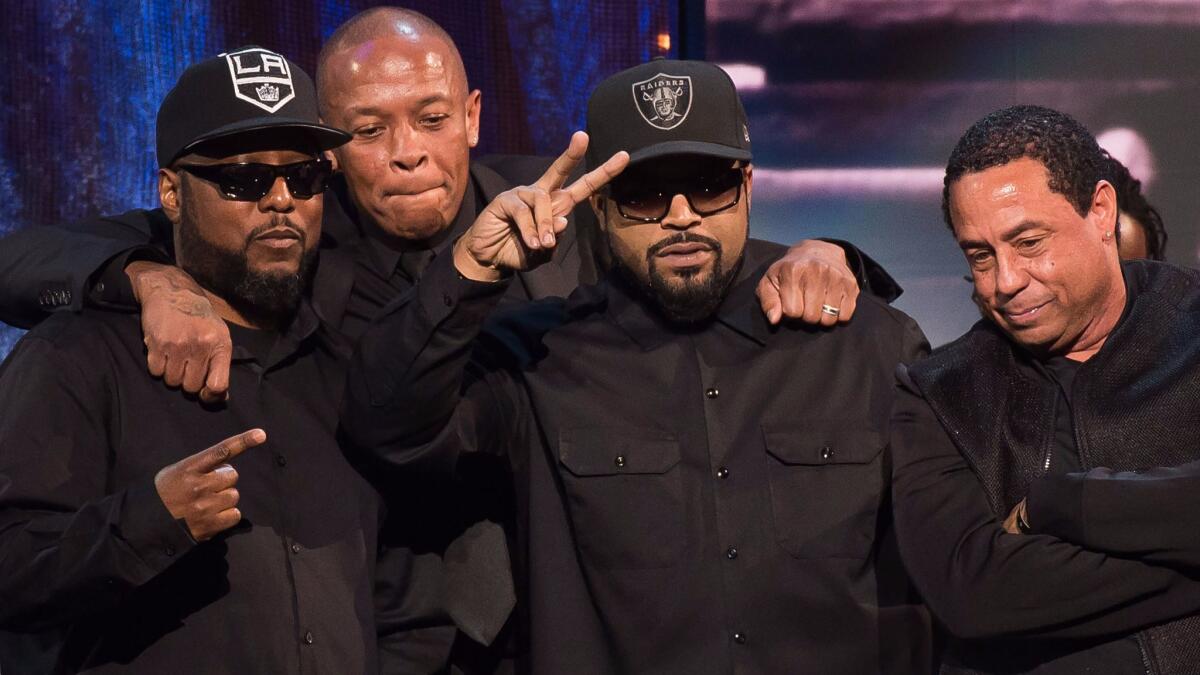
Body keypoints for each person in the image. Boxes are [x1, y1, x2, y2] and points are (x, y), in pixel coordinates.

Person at [0, 7, 900, 669]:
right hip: (375, 629)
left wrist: (830, 253)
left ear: (471, 116)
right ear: (330, 150)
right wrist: (143, 276)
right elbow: (28, 254)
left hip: (564, 619)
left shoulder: (550, 211)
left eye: (431, 119)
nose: (407, 153)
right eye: (367, 129)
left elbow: (680, 232)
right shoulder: (290, 236)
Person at [341, 58, 933, 674]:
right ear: (599, 210)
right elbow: (387, 428)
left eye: (708, 186)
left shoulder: (863, 344)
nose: (681, 215)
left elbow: (947, 565)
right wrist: (467, 272)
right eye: (645, 194)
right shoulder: (533, 360)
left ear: (748, 186)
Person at [0, 48, 388, 673]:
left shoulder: (351, 357)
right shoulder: (77, 356)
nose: (282, 200)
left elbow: (390, 591)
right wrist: (149, 521)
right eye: (245, 180)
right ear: (171, 193)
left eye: (306, 177)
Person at [891, 104, 1200, 674]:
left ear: (1101, 212)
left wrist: (1060, 504)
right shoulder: (938, 393)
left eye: (1028, 242)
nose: (1004, 282)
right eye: (980, 256)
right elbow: (975, 594)